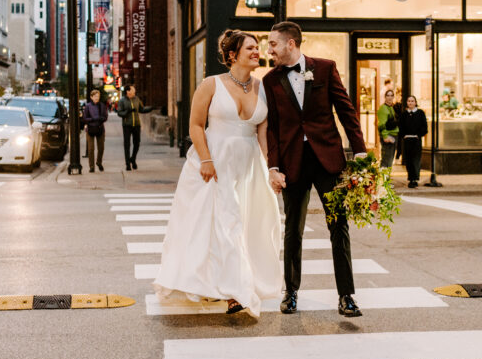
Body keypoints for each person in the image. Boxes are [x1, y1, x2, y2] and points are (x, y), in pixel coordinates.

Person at [154, 30, 282, 317]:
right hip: (214, 162)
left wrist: (271, 167)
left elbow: (263, 132)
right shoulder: (211, 84)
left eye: (257, 47)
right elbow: (196, 125)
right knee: (222, 224)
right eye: (250, 47)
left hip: (248, 165)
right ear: (232, 55)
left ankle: (235, 286)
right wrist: (206, 160)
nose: (256, 52)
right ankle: (234, 290)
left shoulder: (262, 87)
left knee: (246, 224)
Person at [262, 21, 368, 318]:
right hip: (292, 164)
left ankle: (346, 296)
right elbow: (272, 129)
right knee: (292, 230)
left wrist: (359, 150)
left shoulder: (324, 68)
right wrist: (273, 166)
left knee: (339, 227)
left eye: (272, 44)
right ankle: (291, 291)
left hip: (328, 162)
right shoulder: (270, 81)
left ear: (290, 44)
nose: (268, 50)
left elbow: (346, 110)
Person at [116, 84, 152, 170]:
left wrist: (150, 108)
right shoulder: (122, 101)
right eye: (133, 90)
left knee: (137, 143)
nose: (134, 92)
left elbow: (141, 109)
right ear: (128, 91)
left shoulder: (137, 99)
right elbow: (119, 113)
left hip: (136, 124)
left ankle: (133, 158)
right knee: (127, 144)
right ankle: (127, 164)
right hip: (127, 125)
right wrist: (127, 111)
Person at [398, 95, 428, 187]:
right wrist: (404, 136)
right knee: (409, 160)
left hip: (416, 139)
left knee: (416, 159)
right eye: (409, 101)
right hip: (407, 140)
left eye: (412, 101)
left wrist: (419, 135)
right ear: (407, 103)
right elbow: (401, 126)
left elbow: (424, 127)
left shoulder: (420, 113)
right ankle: (410, 178)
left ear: (415, 102)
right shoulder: (404, 114)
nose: (410, 103)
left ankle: (415, 178)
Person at [82, 89, 108, 173]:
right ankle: (91, 166)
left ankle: (99, 162)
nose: (97, 98)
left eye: (98, 96)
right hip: (90, 129)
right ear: (91, 97)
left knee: (101, 148)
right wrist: (93, 119)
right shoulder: (88, 106)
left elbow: (105, 117)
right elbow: (85, 118)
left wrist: (100, 118)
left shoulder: (102, 105)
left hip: (100, 128)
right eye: (95, 96)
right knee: (90, 149)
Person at [376, 89, 399, 167]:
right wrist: (385, 136)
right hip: (388, 136)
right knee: (386, 160)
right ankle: (383, 178)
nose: (389, 97)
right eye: (388, 95)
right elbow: (381, 125)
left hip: (394, 135)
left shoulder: (392, 107)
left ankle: (386, 177)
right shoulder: (383, 108)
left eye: (391, 95)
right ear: (385, 97)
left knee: (390, 160)